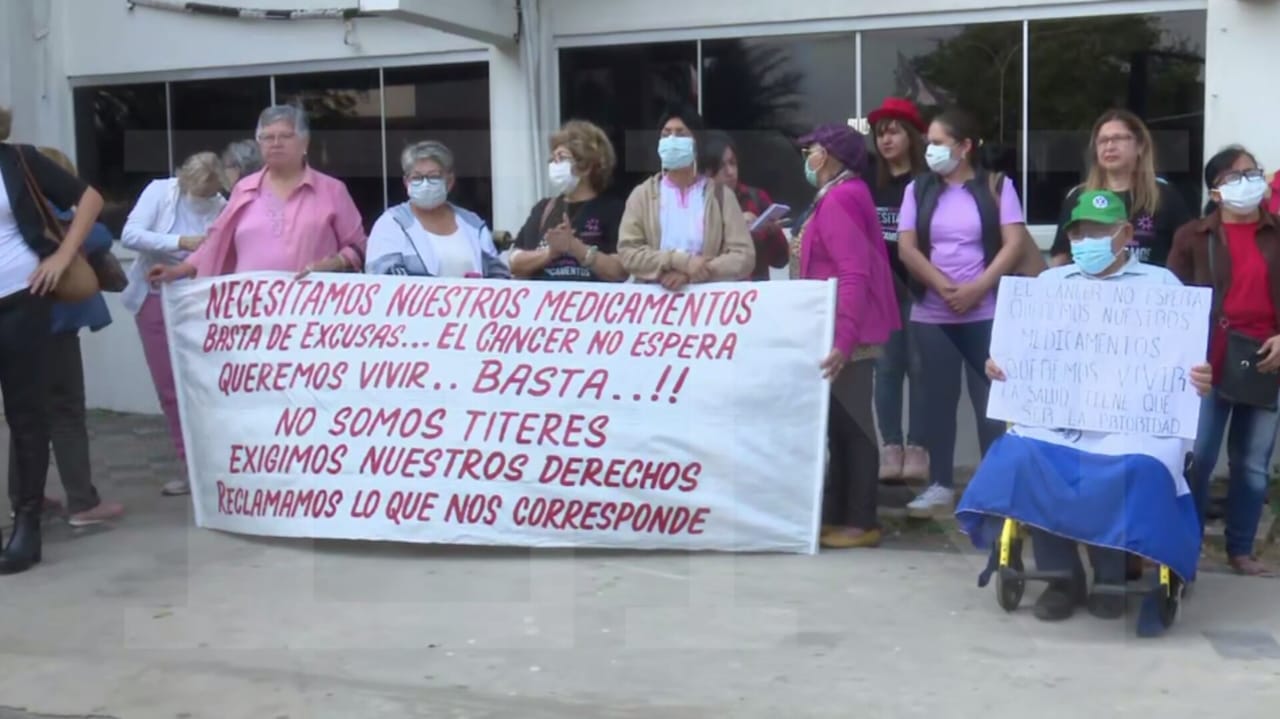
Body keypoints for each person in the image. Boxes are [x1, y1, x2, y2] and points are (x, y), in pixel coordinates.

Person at [958, 189, 1213, 625]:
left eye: (1099, 230)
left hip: (1135, 423)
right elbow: (1023, 352)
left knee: (1135, 467)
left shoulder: (1161, 287)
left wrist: (1199, 377)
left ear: (1126, 233)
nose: (1086, 240)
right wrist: (1001, 366)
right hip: (1060, 418)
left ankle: (1109, 575)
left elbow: (1185, 362)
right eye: (1079, 231)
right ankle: (1062, 578)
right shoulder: (1050, 286)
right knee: (1023, 457)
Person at [895, 108, 1024, 518]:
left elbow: (1014, 243)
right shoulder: (918, 189)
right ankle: (940, 484)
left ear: (965, 146)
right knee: (937, 402)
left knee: (990, 402)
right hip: (933, 312)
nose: (929, 150)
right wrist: (939, 284)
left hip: (985, 310)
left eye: (938, 143)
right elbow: (907, 247)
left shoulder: (997, 186)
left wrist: (977, 287)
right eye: (928, 143)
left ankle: (993, 490)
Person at [0, 106, 106, 574]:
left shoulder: (19, 159)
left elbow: (89, 199)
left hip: (23, 294)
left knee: (27, 413)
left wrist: (62, 255)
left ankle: (27, 525)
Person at [1168, 146, 1280, 576]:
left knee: (1253, 465)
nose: (1249, 181)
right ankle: (1186, 546)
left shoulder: (1276, 233)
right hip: (1206, 366)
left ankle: (1241, 550)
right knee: (1197, 459)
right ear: (1215, 191)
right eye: (1236, 176)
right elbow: (1171, 302)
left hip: (1266, 360)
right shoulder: (1192, 236)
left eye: (1253, 173)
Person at [5, 147, 124, 527]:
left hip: (33, 317)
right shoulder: (47, 219)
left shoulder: (20, 193)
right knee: (64, 411)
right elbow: (101, 235)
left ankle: (27, 499)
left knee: (26, 413)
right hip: (52, 327)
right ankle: (81, 501)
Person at [794, 124, 899, 549]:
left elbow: (853, 273)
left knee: (852, 427)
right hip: (840, 326)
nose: (808, 156)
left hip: (848, 331)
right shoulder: (840, 194)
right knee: (838, 425)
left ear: (834, 155)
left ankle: (860, 518)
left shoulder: (841, 198)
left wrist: (843, 340)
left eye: (814, 149)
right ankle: (839, 514)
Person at [148, 105, 367, 283]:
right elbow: (216, 241)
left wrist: (332, 264)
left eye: (285, 136)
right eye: (267, 137)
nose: (275, 143)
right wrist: (179, 271)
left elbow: (361, 247)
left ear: (305, 142)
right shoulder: (244, 189)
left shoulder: (331, 190)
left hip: (311, 312)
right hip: (252, 315)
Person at [122, 152, 228, 496]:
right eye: (197, 193)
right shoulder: (160, 192)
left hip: (199, 301)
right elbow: (130, 235)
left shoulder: (223, 205)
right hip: (154, 296)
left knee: (206, 386)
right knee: (169, 388)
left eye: (209, 193)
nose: (203, 199)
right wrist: (180, 242)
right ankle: (189, 468)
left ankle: (216, 464)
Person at [617, 106, 755, 289]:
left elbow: (744, 256)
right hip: (653, 307)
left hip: (706, 306)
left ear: (696, 142)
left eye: (681, 134)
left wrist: (695, 272)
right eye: (666, 134)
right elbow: (628, 252)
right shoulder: (642, 196)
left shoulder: (721, 196)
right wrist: (677, 261)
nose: (672, 140)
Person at [867, 97, 928, 481]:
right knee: (886, 369)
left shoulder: (927, 183)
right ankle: (891, 446)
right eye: (879, 133)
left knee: (921, 370)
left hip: (923, 291)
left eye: (893, 131)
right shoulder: (869, 183)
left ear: (911, 136)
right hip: (882, 293)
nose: (886, 140)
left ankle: (919, 446)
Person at [1048, 110, 1190, 268]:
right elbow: (1061, 257)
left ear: (1140, 145)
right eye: (1102, 141)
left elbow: (1188, 254)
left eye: (1118, 139)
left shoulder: (1165, 195)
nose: (1109, 146)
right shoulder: (1078, 197)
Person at [366, 141, 508, 279]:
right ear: (406, 182)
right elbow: (384, 280)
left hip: (472, 302)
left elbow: (497, 274)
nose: (425, 184)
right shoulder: (391, 223)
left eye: (434, 176)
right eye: (417, 178)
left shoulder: (472, 224)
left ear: (449, 181)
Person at [509, 120, 627, 282]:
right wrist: (550, 253)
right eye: (553, 159)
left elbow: (619, 271)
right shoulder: (544, 209)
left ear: (587, 166)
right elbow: (515, 262)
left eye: (562, 158)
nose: (555, 164)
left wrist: (575, 247)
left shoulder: (612, 210)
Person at [700, 131, 788, 281]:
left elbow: (781, 261)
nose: (730, 172)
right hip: (714, 295)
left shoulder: (755, 198)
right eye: (721, 166)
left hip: (755, 296)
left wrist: (771, 233)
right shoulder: (695, 203)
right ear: (706, 171)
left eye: (733, 163)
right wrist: (737, 226)